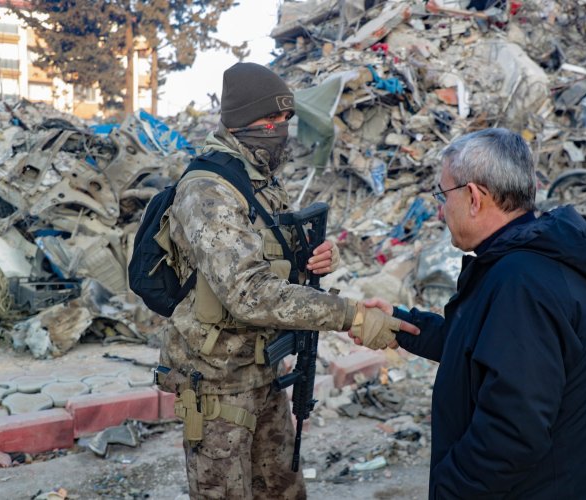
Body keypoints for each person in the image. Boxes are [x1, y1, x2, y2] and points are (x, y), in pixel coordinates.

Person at [157, 62, 417, 499]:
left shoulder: (258, 180)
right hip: (218, 380)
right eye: (270, 121)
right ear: (242, 124)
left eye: (285, 121)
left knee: (283, 489)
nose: (280, 130)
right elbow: (248, 292)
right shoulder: (209, 192)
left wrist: (312, 260)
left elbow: (273, 260)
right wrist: (349, 316)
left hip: (261, 367)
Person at [354, 128, 586, 499]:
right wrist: (402, 323)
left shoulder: (523, 282)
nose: (440, 208)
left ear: (475, 197)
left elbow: (513, 430)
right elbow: (482, 346)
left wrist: (450, 487)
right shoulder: (523, 263)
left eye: (443, 195)